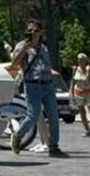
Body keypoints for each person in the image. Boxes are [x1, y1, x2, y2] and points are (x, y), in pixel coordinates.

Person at [10, 19, 67, 158]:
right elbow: (15, 63)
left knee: (53, 117)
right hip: (32, 85)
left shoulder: (44, 47)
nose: (32, 33)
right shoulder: (22, 45)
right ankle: (18, 135)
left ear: (40, 32)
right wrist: (24, 49)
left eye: (35, 30)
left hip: (47, 85)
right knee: (32, 115)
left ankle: (53, 146)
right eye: (29, 30)